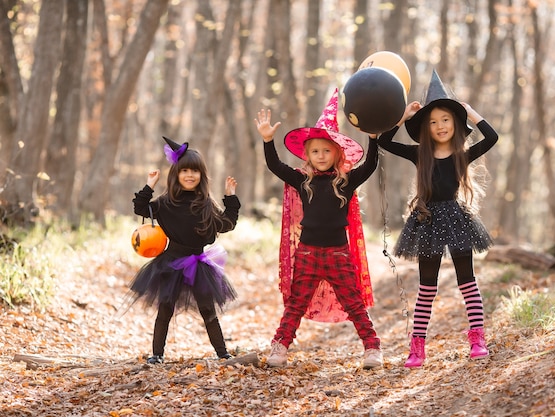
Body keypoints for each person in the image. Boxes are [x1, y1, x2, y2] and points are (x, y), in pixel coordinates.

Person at [377, 70, 498, 368]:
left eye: (445, 119)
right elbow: (385, 142)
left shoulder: (462, 154)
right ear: (425, 129)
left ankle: (477, 337)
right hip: (427, 219)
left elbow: (493, 137)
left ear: (455, 123)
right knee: (427, 286)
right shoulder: (420, 154)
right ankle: (417, 347)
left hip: (456, 219)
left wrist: (471, 112)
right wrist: (403, 117)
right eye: (433, 122)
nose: (440, 126)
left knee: (467, 280)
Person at [254, 89, 383, 369]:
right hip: (308, 253)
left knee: (354, 303)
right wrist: (267, 140)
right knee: (296, 304)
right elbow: (275, 165)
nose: (321, 156)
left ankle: (372, 348)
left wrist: (373, 138)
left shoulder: (345, 181)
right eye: (315, 151)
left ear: (336, 153)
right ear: (307, 155)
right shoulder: (302, 181)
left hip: (338, 253)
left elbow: (371, 164)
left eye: (326, 151)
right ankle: (280, 347)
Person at [129, 136, 241, 364]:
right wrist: (149, 185)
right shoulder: (165, 202)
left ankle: (222, 353)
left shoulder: (205, 203)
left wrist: (230, 198)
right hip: (170, 263)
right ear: (176, 174)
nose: (190, 175)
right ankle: (157, 354)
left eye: (195, 171)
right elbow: (141, 208)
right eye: (184, 171)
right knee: (165, 309)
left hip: (198, 264)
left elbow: (227, 224)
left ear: (201, 175)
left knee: (208, 310)